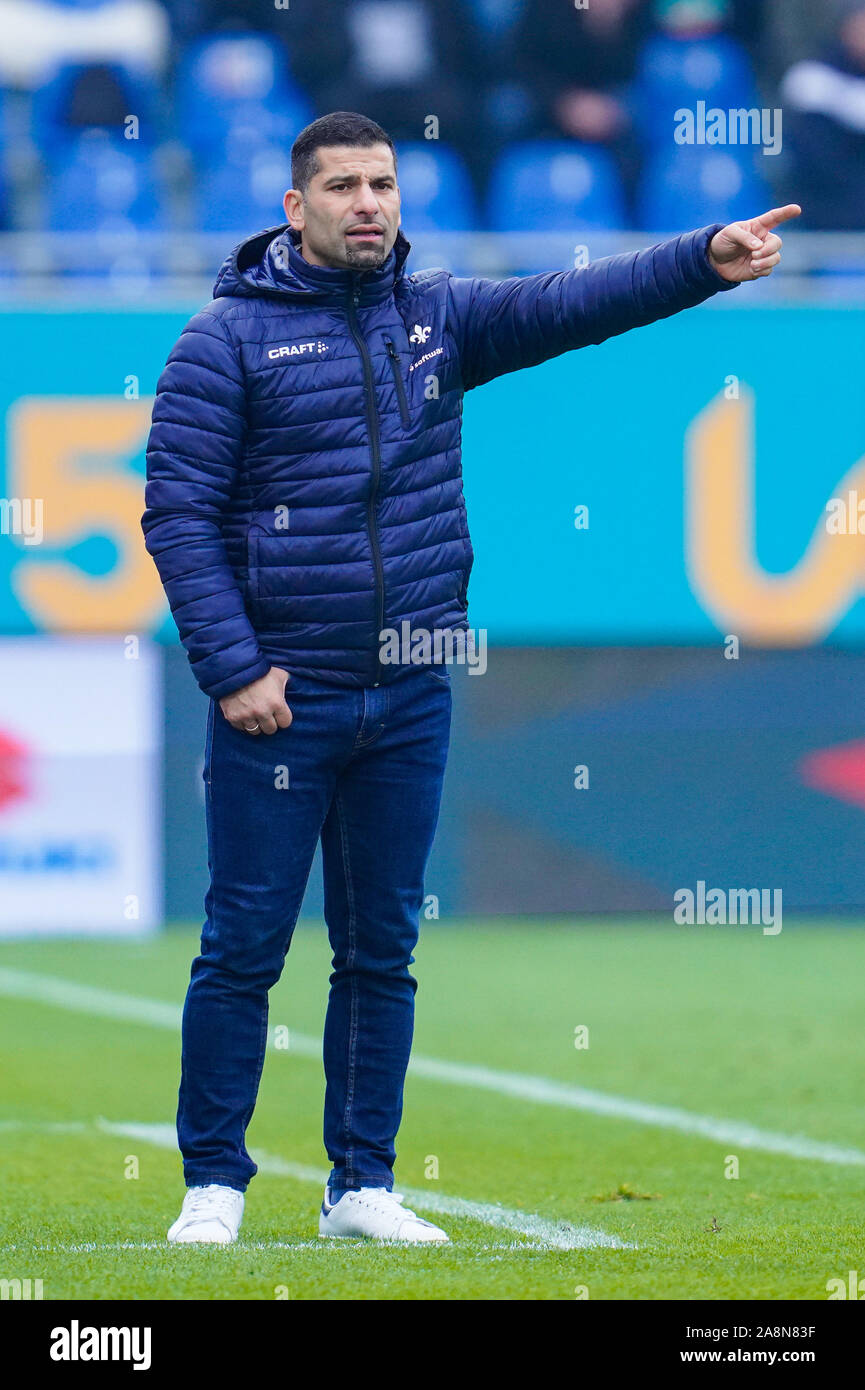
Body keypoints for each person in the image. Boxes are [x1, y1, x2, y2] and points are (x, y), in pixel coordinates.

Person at [142, 109, 799, 1245]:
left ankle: (361, 1185)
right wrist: (235, 668)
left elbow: (568, 303)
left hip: (408, 689)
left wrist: (700, 260)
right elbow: (178, 517)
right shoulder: (224, 342)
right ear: (292, 209)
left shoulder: (437, 317)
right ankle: (214, 1182)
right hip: (279, 700)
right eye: (342, 186)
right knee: (242, 945)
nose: (367, 203)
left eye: (383, 183)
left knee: (380, 950)